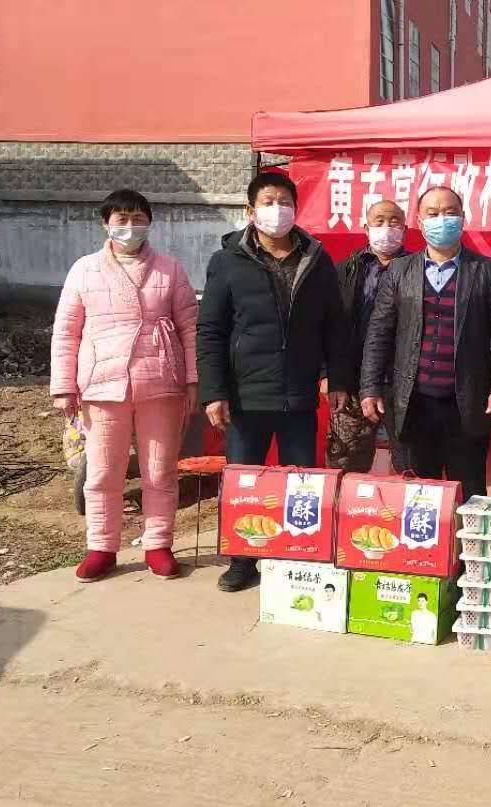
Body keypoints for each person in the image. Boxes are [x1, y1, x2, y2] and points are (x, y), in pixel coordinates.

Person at [198, 171, 351, 593]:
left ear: (295, 209)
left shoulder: (315, 259)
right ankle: (242, 559)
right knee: (245, 483)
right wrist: (214, 391)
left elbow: (333, 326)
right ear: (251, 211)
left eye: (284, 202)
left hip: (298, 394)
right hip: (246, 394)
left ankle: (298, 556)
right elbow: (210, 330)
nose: (277, 210)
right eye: (268, 202)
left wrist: (335, 376)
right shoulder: (227, 261)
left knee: (302, 483)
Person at [50, 189, 199, 582]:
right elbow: (66, 331)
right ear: (106, 224)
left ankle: (159, 544)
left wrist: (193, 379)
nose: (130, 226)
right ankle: (101, 546)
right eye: (121, 218)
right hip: (102, 383)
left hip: (160, 381)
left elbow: (190, 327)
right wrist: (63, 386)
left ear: (149, 222)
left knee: (160, 471)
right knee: (102, 471)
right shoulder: (84, 270)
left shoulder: (170, 269)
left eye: (137, 218)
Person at [360, 186, 491, 501]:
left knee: (470, 492)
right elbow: (379, 331)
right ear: (419, 222)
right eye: (432, 214)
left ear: (463, 218)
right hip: (414, 403)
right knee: (420, 495)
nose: (441, 220)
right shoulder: (400, 270)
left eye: (450, 213)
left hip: (467, 402)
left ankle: (464, 535)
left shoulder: (487, 271)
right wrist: (370, 387)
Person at [327, 200, 411, 473]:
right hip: (353, 382)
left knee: (410, 466)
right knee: (345, 464)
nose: (387, 228)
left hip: (403, 384)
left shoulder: (418, 268)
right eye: (379, 221)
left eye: (394, 222)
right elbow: (330, 325)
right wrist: (331, 376)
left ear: (405, 229)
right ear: (366, 228)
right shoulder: (346, 269)